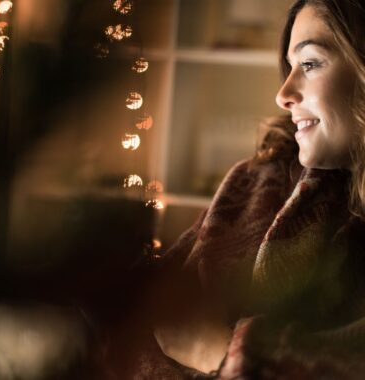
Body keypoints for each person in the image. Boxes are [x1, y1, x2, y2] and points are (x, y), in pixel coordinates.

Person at [92, 1, 365, 379]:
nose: (283, 94)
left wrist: (214, 350)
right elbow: (148, 325)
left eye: (311, 63)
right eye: (289, 68)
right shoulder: (254, 182)